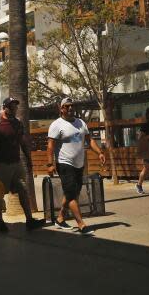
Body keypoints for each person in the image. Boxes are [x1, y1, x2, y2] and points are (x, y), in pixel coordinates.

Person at [47, 97, 106, 236]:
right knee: (72, 194)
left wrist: (99, 153)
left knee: (72, 193)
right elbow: (50, 146)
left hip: (79, 164)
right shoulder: (56, 125)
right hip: (64, 164)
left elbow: (89, 140)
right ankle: (81, 224)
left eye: (72, 106)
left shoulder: (81, 123)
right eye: (67, 106)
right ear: (61, 109)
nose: (70, 108)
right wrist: (50, 164)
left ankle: (60, 218)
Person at [0, 96, 44, 232]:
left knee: (23, 189)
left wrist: (29, 160)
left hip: (17, 163)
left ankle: (29, 220)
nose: (15, 108)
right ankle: (0, 222)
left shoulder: (18, 123)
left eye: (16, 106)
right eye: (12, 106)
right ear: (5, 108)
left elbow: (23, 142)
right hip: (2, 164)